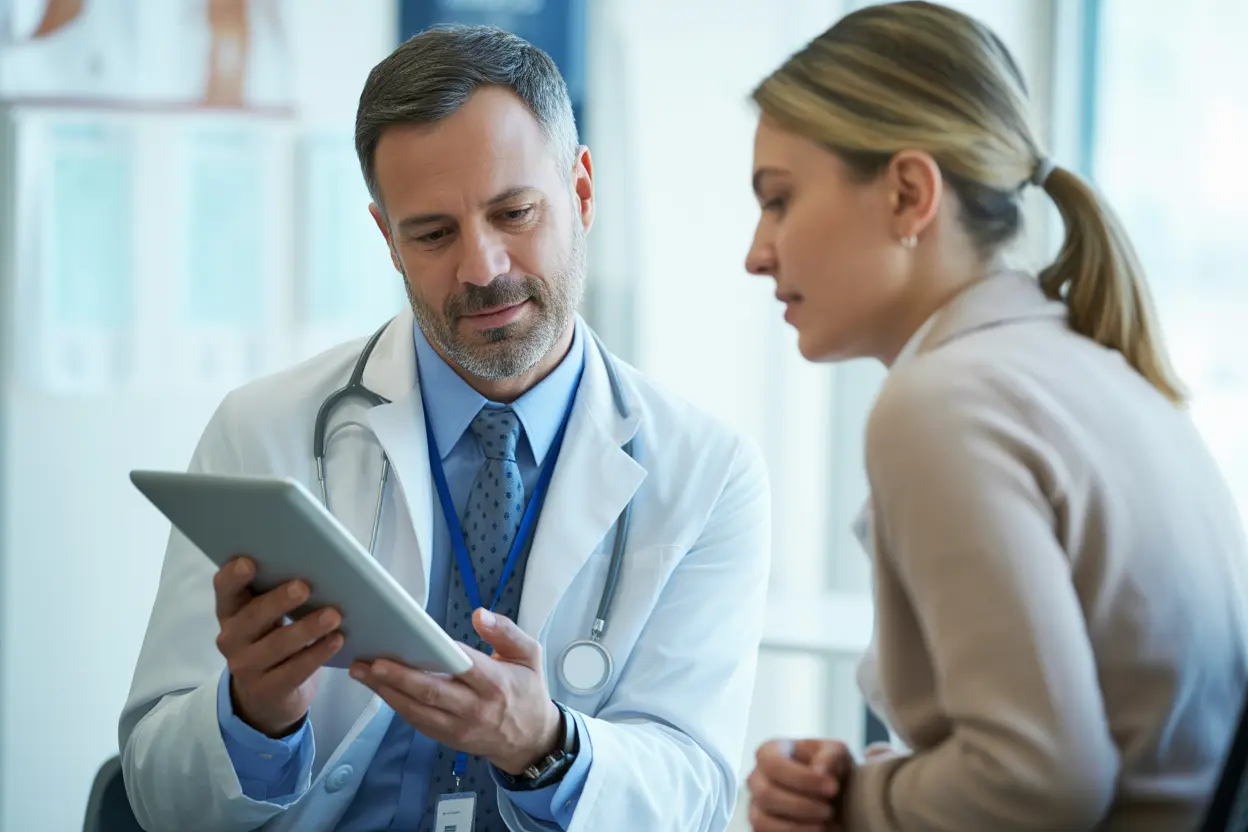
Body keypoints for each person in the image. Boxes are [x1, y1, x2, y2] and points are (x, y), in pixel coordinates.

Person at [118, 24, 771, 832]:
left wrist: (546, 745)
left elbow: (695, 795)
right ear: (387, 238)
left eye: (515, 212)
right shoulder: (264, 431)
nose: (482, 267)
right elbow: (153, 794)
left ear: (584, 192)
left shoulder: (708, 471)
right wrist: (254, 714)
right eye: (432, 233)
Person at [740, 2, 1248, 830]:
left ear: (909, 193)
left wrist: (854, 808)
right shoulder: (1094, 367)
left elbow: (1037, 782)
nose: (758, 252)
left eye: (780, 200)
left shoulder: (943, 401)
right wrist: (884, 783)